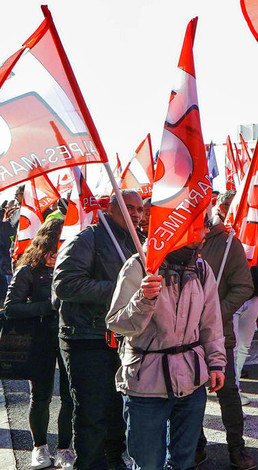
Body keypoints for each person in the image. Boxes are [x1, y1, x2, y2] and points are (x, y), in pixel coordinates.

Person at [107, 238, 226, 470]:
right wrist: (143, 299)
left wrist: (216, 363)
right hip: (145, 385)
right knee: (148, 464)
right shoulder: (139, 265)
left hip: (191, 383)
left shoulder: (201, 268)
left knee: (184, 462)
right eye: (197, 224)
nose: (205, 231)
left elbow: (211, 321)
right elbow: (117, 324)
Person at [53, 189, 142, 470]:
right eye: (130, 208)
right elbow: (65, 284)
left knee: (118, 411)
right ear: (111, 208)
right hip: (85, 338)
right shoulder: (86, 238)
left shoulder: (136, 243)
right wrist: (120, 290)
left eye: (140, 209)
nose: (136, 214)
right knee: (92, 414)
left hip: (120, 339)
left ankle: (115, 462)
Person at [3, 217, 75, 470]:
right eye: (54, 248)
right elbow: (10, 309)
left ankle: (66, 449)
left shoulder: (73, 268)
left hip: (70, 338)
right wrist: (48, 306)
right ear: (44, 245)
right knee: (41, 396)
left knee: (70, 397)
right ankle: (40, 447)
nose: (57, 254)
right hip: (41, 340)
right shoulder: (28, 271)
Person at [195, 193, 257, 470]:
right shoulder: (176, 242)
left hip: (219, 334)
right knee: (189, 393)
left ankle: (237, 448)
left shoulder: (229, 242)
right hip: (182, 337)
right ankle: (196, 446)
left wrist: (215, 314)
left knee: (228, 390)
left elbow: (244, 286)